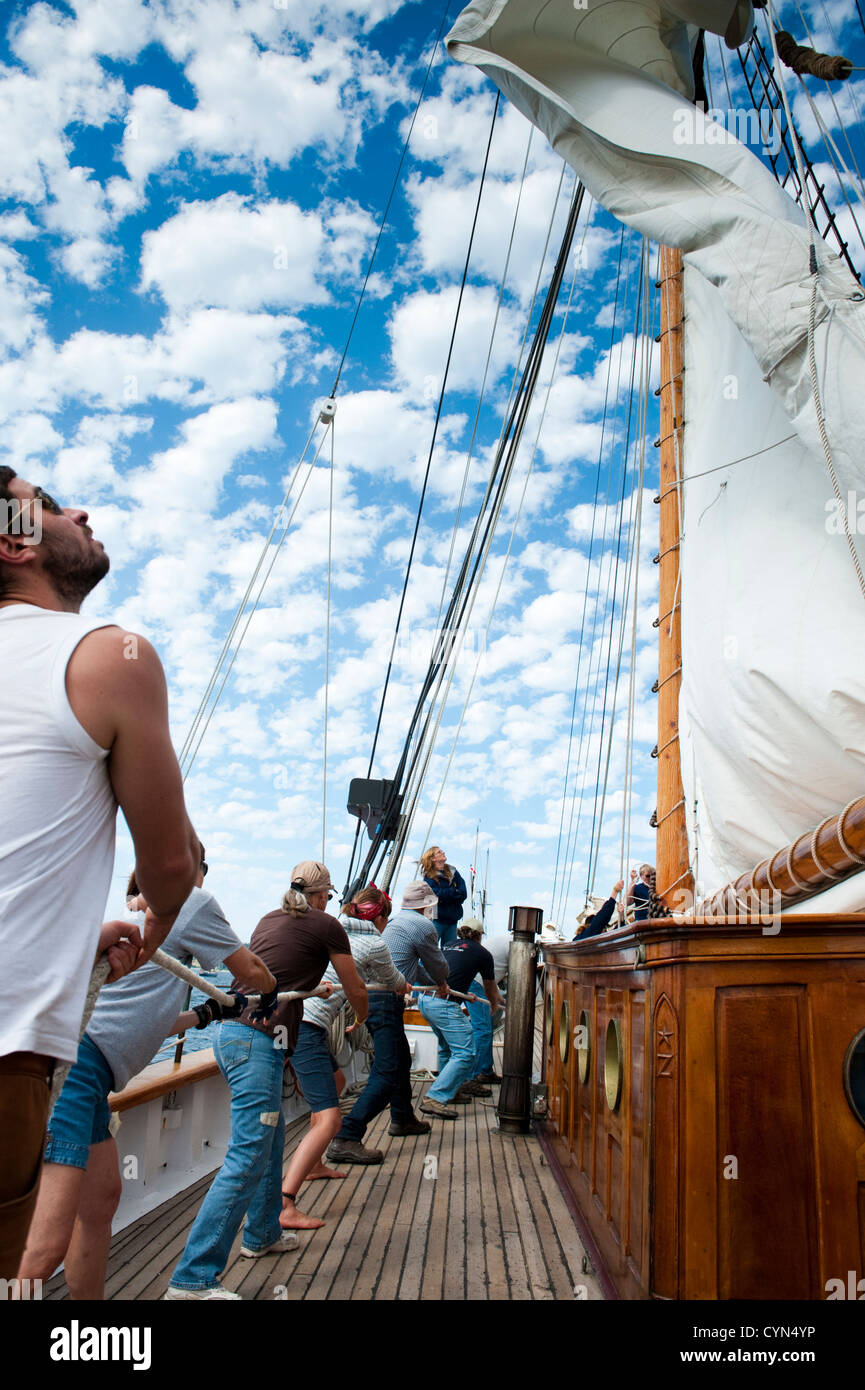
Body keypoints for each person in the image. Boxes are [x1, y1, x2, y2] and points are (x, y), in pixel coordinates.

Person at [0, 468, 200, 1279]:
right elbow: (172, 865)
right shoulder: (108, 657)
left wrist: (80, 938)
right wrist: (154, 926)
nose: (78, 510)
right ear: (15, 539)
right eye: (48, 503)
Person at [18, 855, 275, 1298]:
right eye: (203, 863)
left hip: (91, 1073)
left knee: (100, 1202)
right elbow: (250, 970)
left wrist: (204, 1013)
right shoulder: (189, 900)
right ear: (184, 864)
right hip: (77, 1068)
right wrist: (269, 992)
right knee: (46, 1246)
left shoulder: (137, 915)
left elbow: (136, 1019)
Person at [166, 861, 367, 1299]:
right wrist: (362, 1018)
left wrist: (316, 988)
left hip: (235, 1034)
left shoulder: (267, 919)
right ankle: (192, 1278)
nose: (328, 903)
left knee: (270, 1141)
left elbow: (281, 971)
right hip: (258, 1040)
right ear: (320, 896)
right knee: (248, 1152)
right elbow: (356, 986)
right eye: (328, 896)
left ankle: (261, 1234)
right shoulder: (328, 925)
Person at [283, 884, 422, 1216]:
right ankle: (286, 1202)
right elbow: (391, 978)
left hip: (293, 1019)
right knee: (330, 1119)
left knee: (337, 1083)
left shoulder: (331, 928)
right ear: (381, 918)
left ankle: (314, 1164)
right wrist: (403, 986)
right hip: (309, 1026)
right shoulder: (374, 943)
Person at [328, 879, 450, 1158]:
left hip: (372, 1001)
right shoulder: (421, 927)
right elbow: (436, 967)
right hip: (384, 1001)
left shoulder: (380, 928)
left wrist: (424, 979)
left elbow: (409, 967)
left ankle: (403, 1117)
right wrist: (441, 981)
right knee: (387, 1072)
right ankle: (347, 1135)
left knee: (401, 1061)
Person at [440, 922, 506, 1101]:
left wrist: (497, 998)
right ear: (478, 935)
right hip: (476, 985)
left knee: (447, 1042)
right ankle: (476, 1075)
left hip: (438, 993)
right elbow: (489, 983)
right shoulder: (489, 949)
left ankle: (482, 1070)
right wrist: (494, 1001)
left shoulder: (451, 944)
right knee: (482, 1029)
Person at [419, 845, 467, 947]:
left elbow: (463, 893)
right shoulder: (429, 877)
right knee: (429, 953)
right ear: (433, 858)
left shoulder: (453, 872)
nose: (443, 852)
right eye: (439, 852)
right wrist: (454, 892)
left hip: (452, 921)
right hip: (435, 920)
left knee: (449, 953)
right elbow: (435, 895)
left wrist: (445, 896)